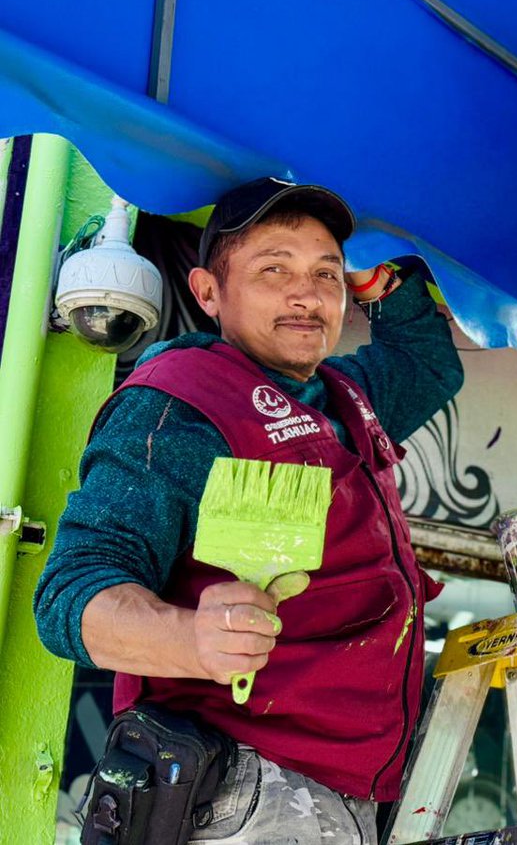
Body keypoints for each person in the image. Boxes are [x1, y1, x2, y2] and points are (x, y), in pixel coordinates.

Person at [36, 177, 463, 844]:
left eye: (325, 272)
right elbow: (69, 594)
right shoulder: (178, 402)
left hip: (342, 789)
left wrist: (377, 275)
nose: (307, 294)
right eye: (273, 269)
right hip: (242, 785)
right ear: (209, 293)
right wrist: (191, 641)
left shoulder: (343, 395)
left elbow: (429, 365)